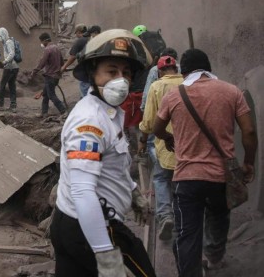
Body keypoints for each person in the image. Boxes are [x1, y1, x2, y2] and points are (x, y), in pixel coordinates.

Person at [51, 29, 156, 277]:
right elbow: (82, 190)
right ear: (91, 73)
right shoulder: (89, 123)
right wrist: (106, 257)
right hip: (92, 229)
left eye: (126, 73)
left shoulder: (109, 113)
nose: (121, 79)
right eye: (111, 71)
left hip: (73, 224)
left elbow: (112, 165)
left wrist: (131, 192)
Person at [153, 48, 257, 276]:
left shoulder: (174, 95)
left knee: (187, 234)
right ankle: (214, 258)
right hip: (222, 176)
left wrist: (169, 138)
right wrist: (249, 163)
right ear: (208, 68)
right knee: (219, 218)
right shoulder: (232, 91)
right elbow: (248, 131)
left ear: (185, 71)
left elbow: (156, 127)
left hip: (187, 178)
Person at [138, 55, 183, 241]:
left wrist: (142, 139)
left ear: (159, 71)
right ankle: (183, 219)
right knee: (180, 182)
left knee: (161, 178)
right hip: (188, 144)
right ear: (177, 69)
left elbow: (149, 122)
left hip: (166, 143)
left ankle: (165, 216)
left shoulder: (156, 87)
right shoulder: (187, 83)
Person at [30, 32, 67, 118]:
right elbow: (62, 62)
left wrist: (34, 72)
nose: (41, 44)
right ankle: (44, 113)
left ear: (45, 40)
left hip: (50, 76)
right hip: (56, 76)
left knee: (51, 95)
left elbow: (42, 63)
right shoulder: (57, 48)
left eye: (42, 42)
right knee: (45, 95)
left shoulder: (48, 49)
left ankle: (63, 111)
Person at [0, 27, 19, 113]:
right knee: (12, 86)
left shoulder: (8, 42)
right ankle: (13, 106)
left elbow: (12, 54)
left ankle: (0, 105)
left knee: (2, 85)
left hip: (10, 67)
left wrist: (4, 62)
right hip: (14, 67)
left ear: (3, 34)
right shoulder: (8, 42)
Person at [61, 24, 89, 97]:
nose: (76, 35)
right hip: (96, 70)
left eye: (76, 33)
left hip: (86, 71)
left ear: (79, 32)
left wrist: (63, 67)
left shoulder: (80, 41)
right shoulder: (91, 38)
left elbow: (73, 57)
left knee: (85, 91)